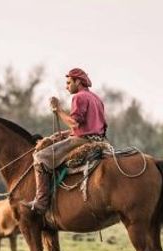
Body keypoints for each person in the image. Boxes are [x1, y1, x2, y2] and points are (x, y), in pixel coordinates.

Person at [22, 68, 108, 214]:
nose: (66, 86)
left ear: (78, 81)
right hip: (99, 139)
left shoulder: (79, 97)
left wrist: (58, 109)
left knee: (40, 157)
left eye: (69, 83)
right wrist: (64, 135)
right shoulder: (96, 98)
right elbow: (92, 126)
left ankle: (41, 202)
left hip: (82, 141)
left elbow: (74, 123)